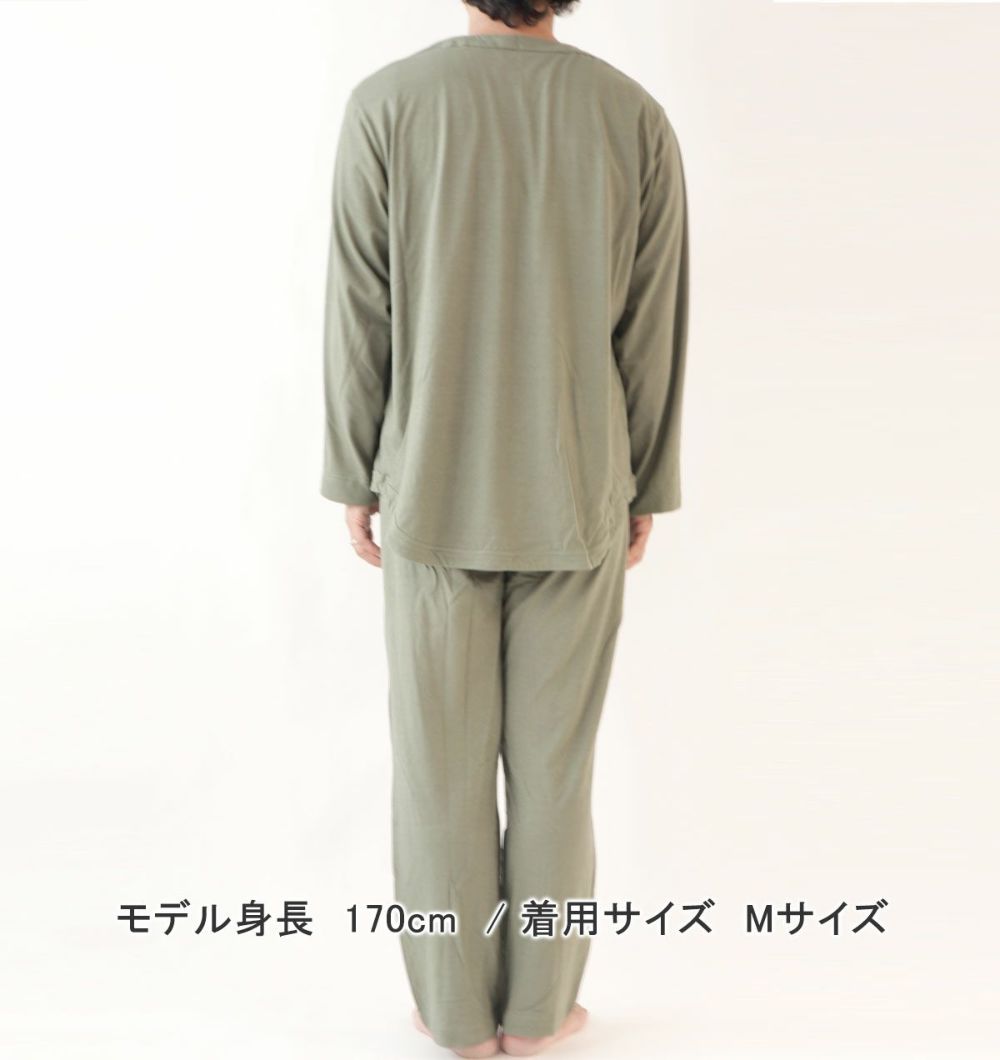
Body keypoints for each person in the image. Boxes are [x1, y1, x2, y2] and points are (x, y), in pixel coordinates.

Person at [320, 1, 689, 1055]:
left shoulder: (389, 105)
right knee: (555, 773)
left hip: (430, 493)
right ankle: (537, 1014)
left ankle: (452, 1012)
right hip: (578, 491)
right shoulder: (630, 115)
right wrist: (646, 481)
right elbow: (651, 322)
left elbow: (361, 307)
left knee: (437, 774)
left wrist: (354, 468)